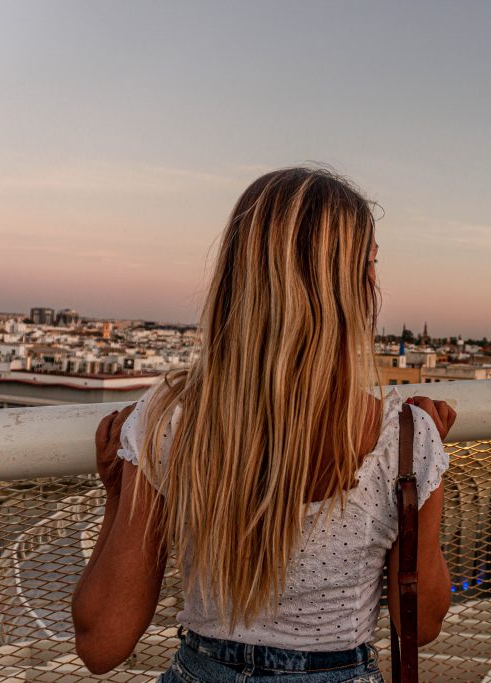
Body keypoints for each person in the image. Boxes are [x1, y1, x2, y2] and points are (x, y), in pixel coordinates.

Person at [72, 167, 456, 682]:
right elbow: (422, 623)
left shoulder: (171, 417)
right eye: (371, 263)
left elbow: (102, 643)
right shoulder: (403, 439)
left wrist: (119, 493)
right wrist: (423, 460)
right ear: (352, 286)